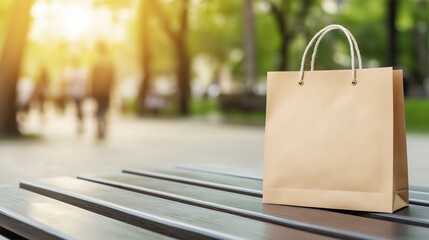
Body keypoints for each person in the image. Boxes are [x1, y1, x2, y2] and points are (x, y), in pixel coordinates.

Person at [91, 41, 114, 140]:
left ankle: (100, 128)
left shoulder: (96, 61)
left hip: (97, 90)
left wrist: (91, 89)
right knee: (104, 109)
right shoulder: (109, 62)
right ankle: (102, 127)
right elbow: (112, 77)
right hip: (106, 90)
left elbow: (92, 77)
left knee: (99, 109)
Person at [64, 57, 87, 134]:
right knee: (78, 109)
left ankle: (80, 124)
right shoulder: (76, 71)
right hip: (76, 93)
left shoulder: (79, 71)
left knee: (79, 109)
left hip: (79, 93)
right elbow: (68, 83)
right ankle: (79, 124)